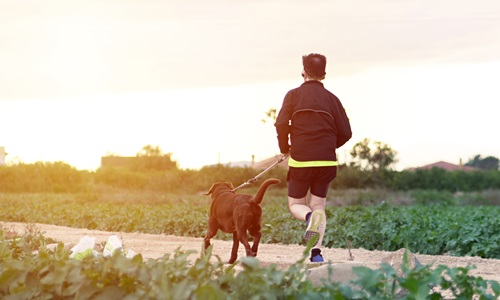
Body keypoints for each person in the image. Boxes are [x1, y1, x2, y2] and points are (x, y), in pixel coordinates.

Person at [274, 53, 352, 262]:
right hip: (326, 161)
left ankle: (308, 217)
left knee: (295, 205)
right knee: (319, 206)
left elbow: (281, 124)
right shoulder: (333, 99)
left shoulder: (292, 95)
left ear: (304, 72)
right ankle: (316, 254)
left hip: (301, 160)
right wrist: (326, 146)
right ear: (324, 74)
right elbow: (346, 132)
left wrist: (285, 148)